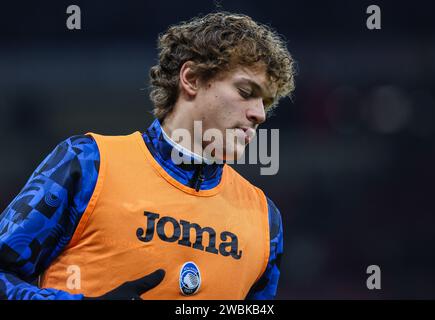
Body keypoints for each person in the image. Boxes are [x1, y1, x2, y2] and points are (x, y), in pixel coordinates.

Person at [0, 11, 295, 300]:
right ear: (191, 78)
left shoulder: (265, 220)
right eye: (246, 92)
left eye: (266, 103)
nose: (259, 114)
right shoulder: (88, 163)